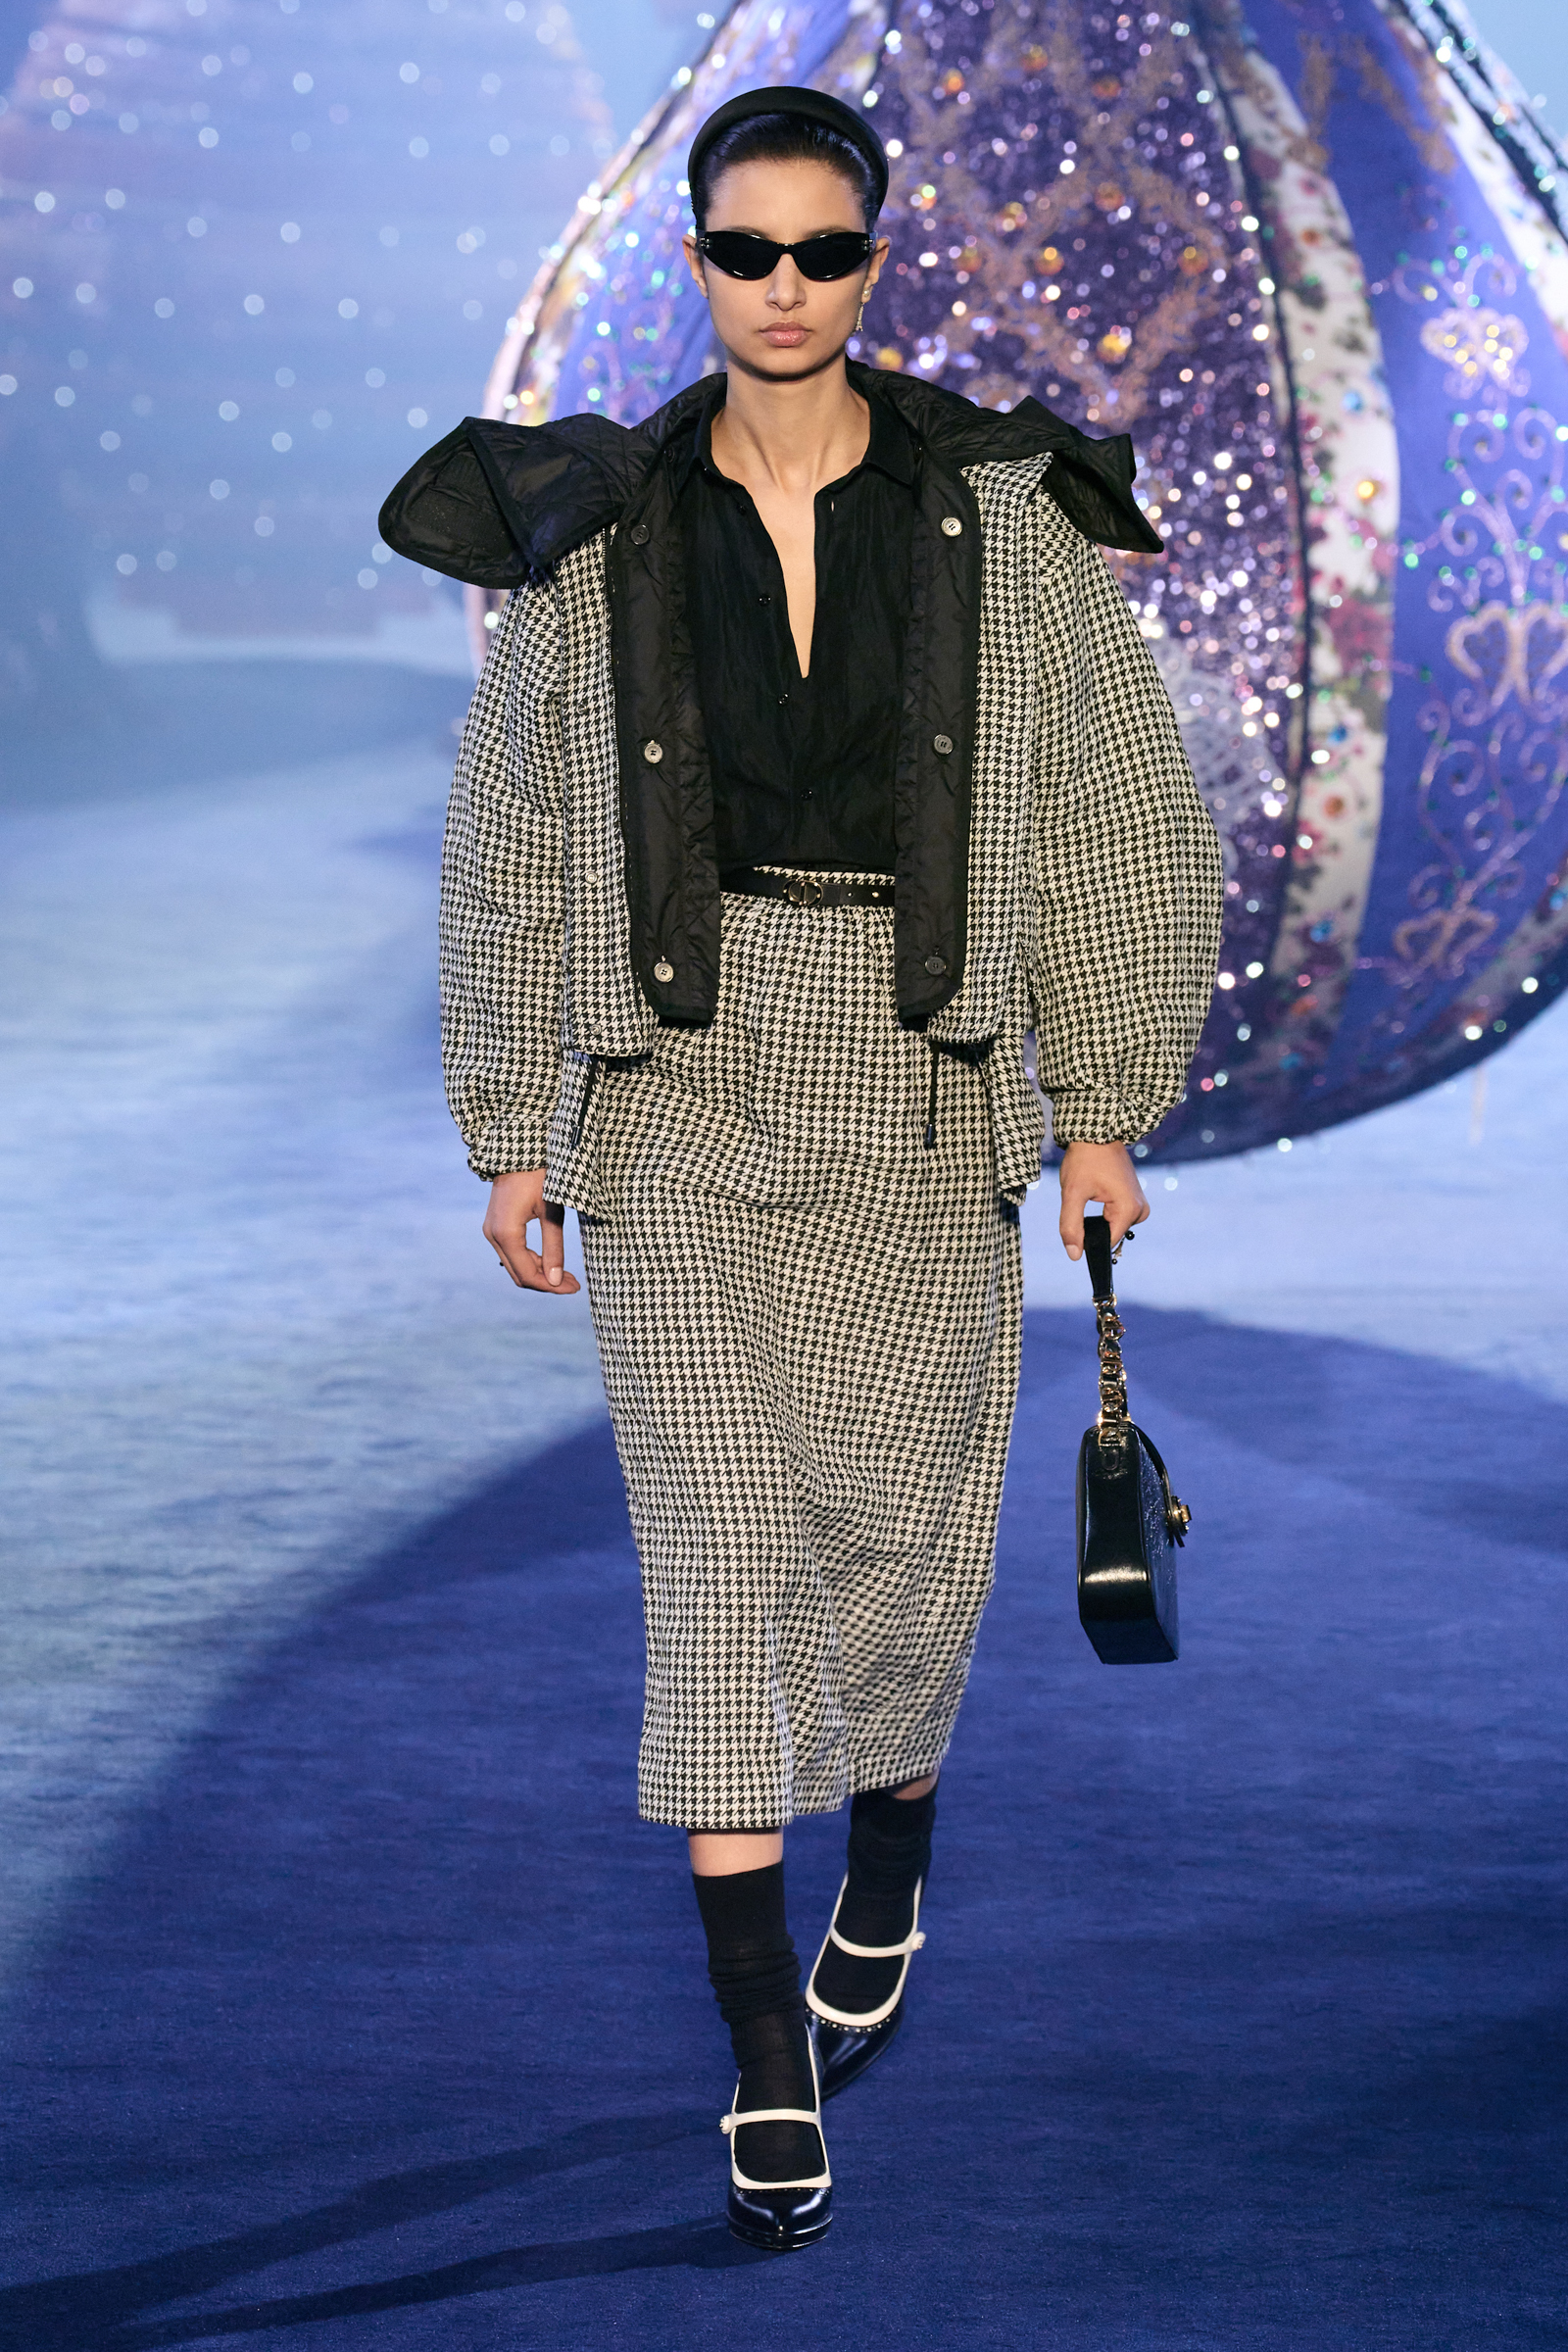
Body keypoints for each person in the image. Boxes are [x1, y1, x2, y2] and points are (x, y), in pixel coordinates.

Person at [380, 83, 1222, 2253]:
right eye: (744, 251)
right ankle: (763, 2056)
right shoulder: (595, 525)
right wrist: (514, 1127)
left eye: (821, 252)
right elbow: (515, 837)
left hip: (923, 1087)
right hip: (672, 1084)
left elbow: (1119, 815)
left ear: (874, 262)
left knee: (901, 1555)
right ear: (694, 263)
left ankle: (893, 1865)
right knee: (718, 1566)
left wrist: (1102, 1104)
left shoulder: (997, 515)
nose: (782, 286)